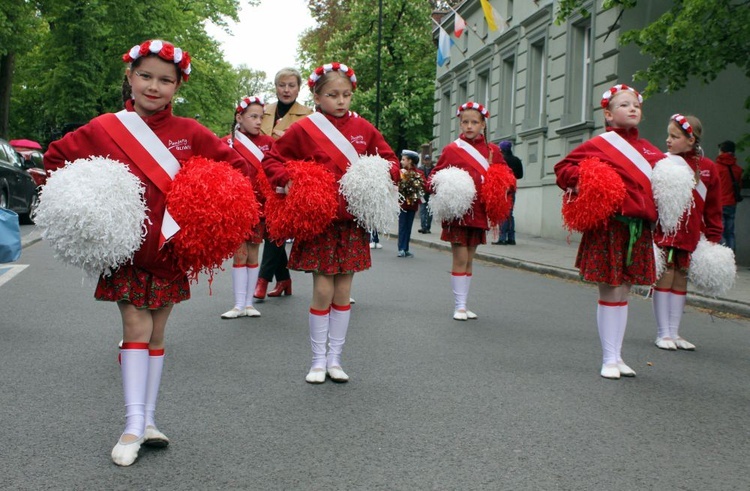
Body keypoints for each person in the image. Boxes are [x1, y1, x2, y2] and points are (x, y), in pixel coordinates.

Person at [44, 39, 251, 466]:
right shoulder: (104, 128)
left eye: (165, 80)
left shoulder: (191, 133)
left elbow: (236, 171)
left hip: (170, 249)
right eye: (146, 76)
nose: (154, 87)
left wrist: (206, 196)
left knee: (157, 332)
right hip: (127, 250)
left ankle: (149, 419)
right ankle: (133, 424)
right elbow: (57, 159)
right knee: (135, 324)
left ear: (177, 86)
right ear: (130, 77)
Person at [262, 62, 400, 384]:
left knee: (343, 290)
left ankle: (336, 359)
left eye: (346, 95)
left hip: (351, 222)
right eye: (332, 95)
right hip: (319, 220)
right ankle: (316, 360)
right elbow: (273, 159)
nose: (340, 101)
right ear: (317, 96)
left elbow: (391, 161)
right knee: (322, 288)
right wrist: (289, 180)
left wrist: (380, 175)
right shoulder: (305, 129)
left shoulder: (364, 128)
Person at [554, 84, 662, 380]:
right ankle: (608, 357)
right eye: (625, 105)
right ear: (608, 114)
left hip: (639, 229)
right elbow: (563, 169)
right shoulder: (599, 144)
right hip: (610, 226)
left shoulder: (651, 151)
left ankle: (617, 355)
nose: (632, 109)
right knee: (610, 288)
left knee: (624, 290)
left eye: (636, 105)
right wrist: (589, 178)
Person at [652, 114, 723, 351]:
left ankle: (674, 331)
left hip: (692, 233)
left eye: (675, 136)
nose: (668, 140)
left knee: (682, 278)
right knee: (667, 274)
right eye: (668, 135)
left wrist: (713, 236)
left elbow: (713, 206)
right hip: (667, 230)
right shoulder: (663, 161)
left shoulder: (709, 168)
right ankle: (663, 333)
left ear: (691, 140)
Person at [431, 102, 506, 321]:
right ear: (460, 123)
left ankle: (464, 303)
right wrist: (443, 187)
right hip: (459, 212)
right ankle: (459, 306)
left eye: (474, 122)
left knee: (470, 258)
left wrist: (501, 186)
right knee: (460, 257)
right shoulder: (452, 149)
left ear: (483, 124)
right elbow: (434, 176)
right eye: (465, 122)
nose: (469, 126)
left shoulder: (493, 151)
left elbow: (505, 176)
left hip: (480, 212)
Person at [255, 68, 313, 300]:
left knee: (274, 228)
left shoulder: (308, 115)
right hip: (260, 178)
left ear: (299, 88)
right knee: (272, 228)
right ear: (275, 87)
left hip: (286, 177)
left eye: (291, 85)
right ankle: (284, 280)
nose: (286, 90)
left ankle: (263, 279)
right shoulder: (263, 111)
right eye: (282, 85)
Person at [219, 96, 275, 319]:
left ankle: (249, 303)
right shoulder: (226, 143)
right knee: (239, 253)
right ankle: (238, 304)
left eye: (261, 117)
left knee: (253, 253)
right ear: (239, 117)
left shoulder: (269, 143)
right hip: (237, 207)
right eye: (253, 117)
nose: (258, 121)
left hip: (259, 207)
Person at [493, 140, 523, 245]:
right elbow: (520, 175)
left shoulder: (501, 160)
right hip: (512, 188)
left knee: (502, 213)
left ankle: (502, 238)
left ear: (501, 150)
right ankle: (511, 238)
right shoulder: (516, 160)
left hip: (502, 188)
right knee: (510, 213)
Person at [715, 140, 743, 251]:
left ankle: (725, 256)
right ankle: (731, 256)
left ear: (722, 151)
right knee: (730, 231)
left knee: (720, 231)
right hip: (732, 204)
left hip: (720, 203)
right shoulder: (737, 169)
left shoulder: (716, 168)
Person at [397, 149, 425, 257]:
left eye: (403, 159)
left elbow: (423, 186)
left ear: (410, 161)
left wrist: (416, 187)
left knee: (409, 227)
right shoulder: (401, 172)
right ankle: (401, 248)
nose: (401, 161)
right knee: (402, 226)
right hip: (402, 204)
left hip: (413, 204)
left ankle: (406, 248)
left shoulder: (419, 173)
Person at [418, 154, 435, 234]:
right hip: (423, 192)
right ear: (424, 160)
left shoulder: (434, 169)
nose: (427, 161)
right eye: (426, 160)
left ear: (430, 160)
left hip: (431, 193)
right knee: (422, 210)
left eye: (428, 160)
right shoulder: (420, 169)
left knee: (430, 211)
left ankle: (427, 227)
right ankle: (423, 227)